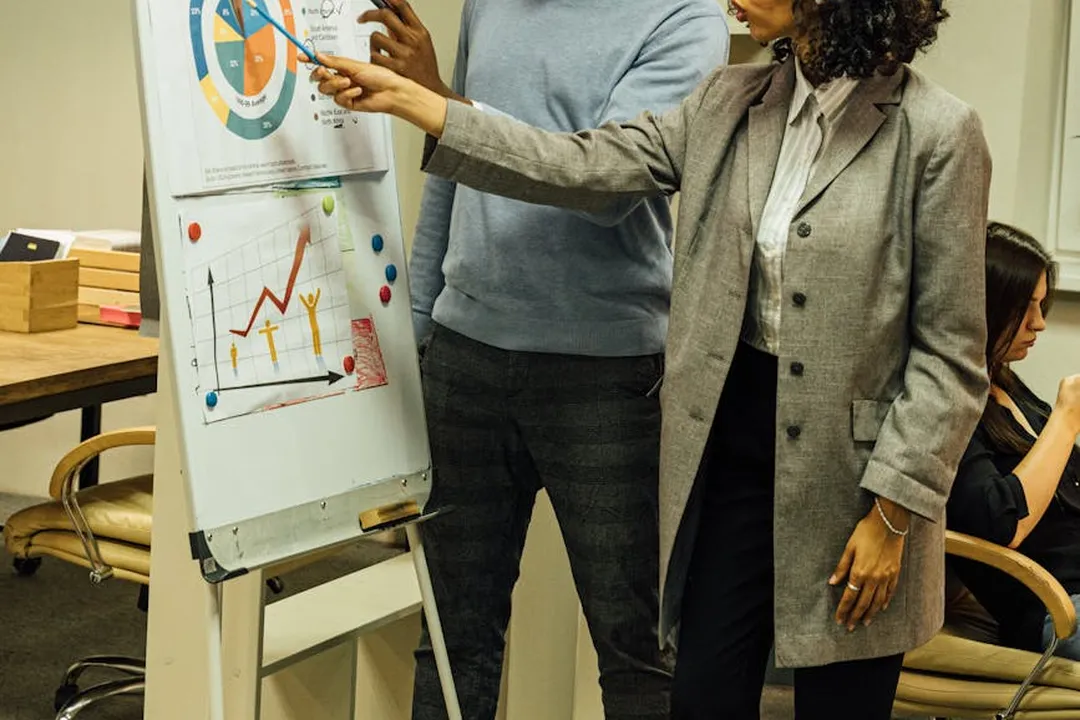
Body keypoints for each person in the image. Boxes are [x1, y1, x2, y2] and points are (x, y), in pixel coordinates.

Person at [311, 0, 992, 716]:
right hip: (728, 461)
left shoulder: (938, 133)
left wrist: (894, 511)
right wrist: (438, 110)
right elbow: (583, 164)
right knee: (698, 696)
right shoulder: (732, 101)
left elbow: (950, 355)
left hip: (854, 484)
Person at [351, 1, 728, 718]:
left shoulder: (686, 18)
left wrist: (442, 107)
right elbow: (449, 176)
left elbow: (603, 188)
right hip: (465, 360)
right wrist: (421, 331)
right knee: (449, 634)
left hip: (608, 378)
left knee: (636, 649)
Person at [946, 222, 1080, 658]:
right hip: (1058, 610)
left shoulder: (1005, 385)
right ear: (983, 304)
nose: (1039, 323)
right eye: (1026, 306)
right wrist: (1065, 418)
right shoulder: (952, 402)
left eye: (1042, 305)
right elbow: (1000, 524)